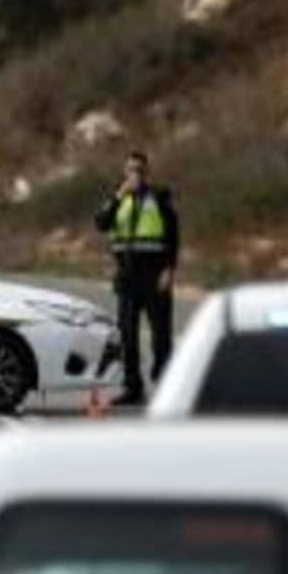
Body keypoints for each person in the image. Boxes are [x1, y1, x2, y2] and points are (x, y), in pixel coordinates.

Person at [94, 151, 179, 407]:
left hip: (155, 276)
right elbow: (101, 224)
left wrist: (170, 270)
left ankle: (165, 384)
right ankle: (133, 388)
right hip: (127, 278)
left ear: (147, 172)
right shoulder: (118, 199)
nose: (136, 175)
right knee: (127, 336)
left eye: (140, 170)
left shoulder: (160, 199)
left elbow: (174, 237)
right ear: (125, 172)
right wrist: (119, 196)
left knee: (161, 336)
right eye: (131, 169)